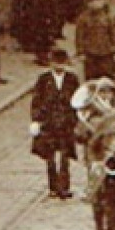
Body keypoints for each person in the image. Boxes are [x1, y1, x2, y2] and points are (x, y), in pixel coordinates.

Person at [30, 48, 82, 199]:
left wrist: (77, 120)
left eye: (62, 63)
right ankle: (53, 186)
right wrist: (36, 120)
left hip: (66, 124)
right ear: (51, 63)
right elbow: (36, 101)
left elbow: (78, 101)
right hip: (49, 123)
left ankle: (64, 187)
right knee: (50, 157)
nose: (59, 67)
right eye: (55, 63)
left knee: (65, 157)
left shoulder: (72, 79)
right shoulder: (43, 79)